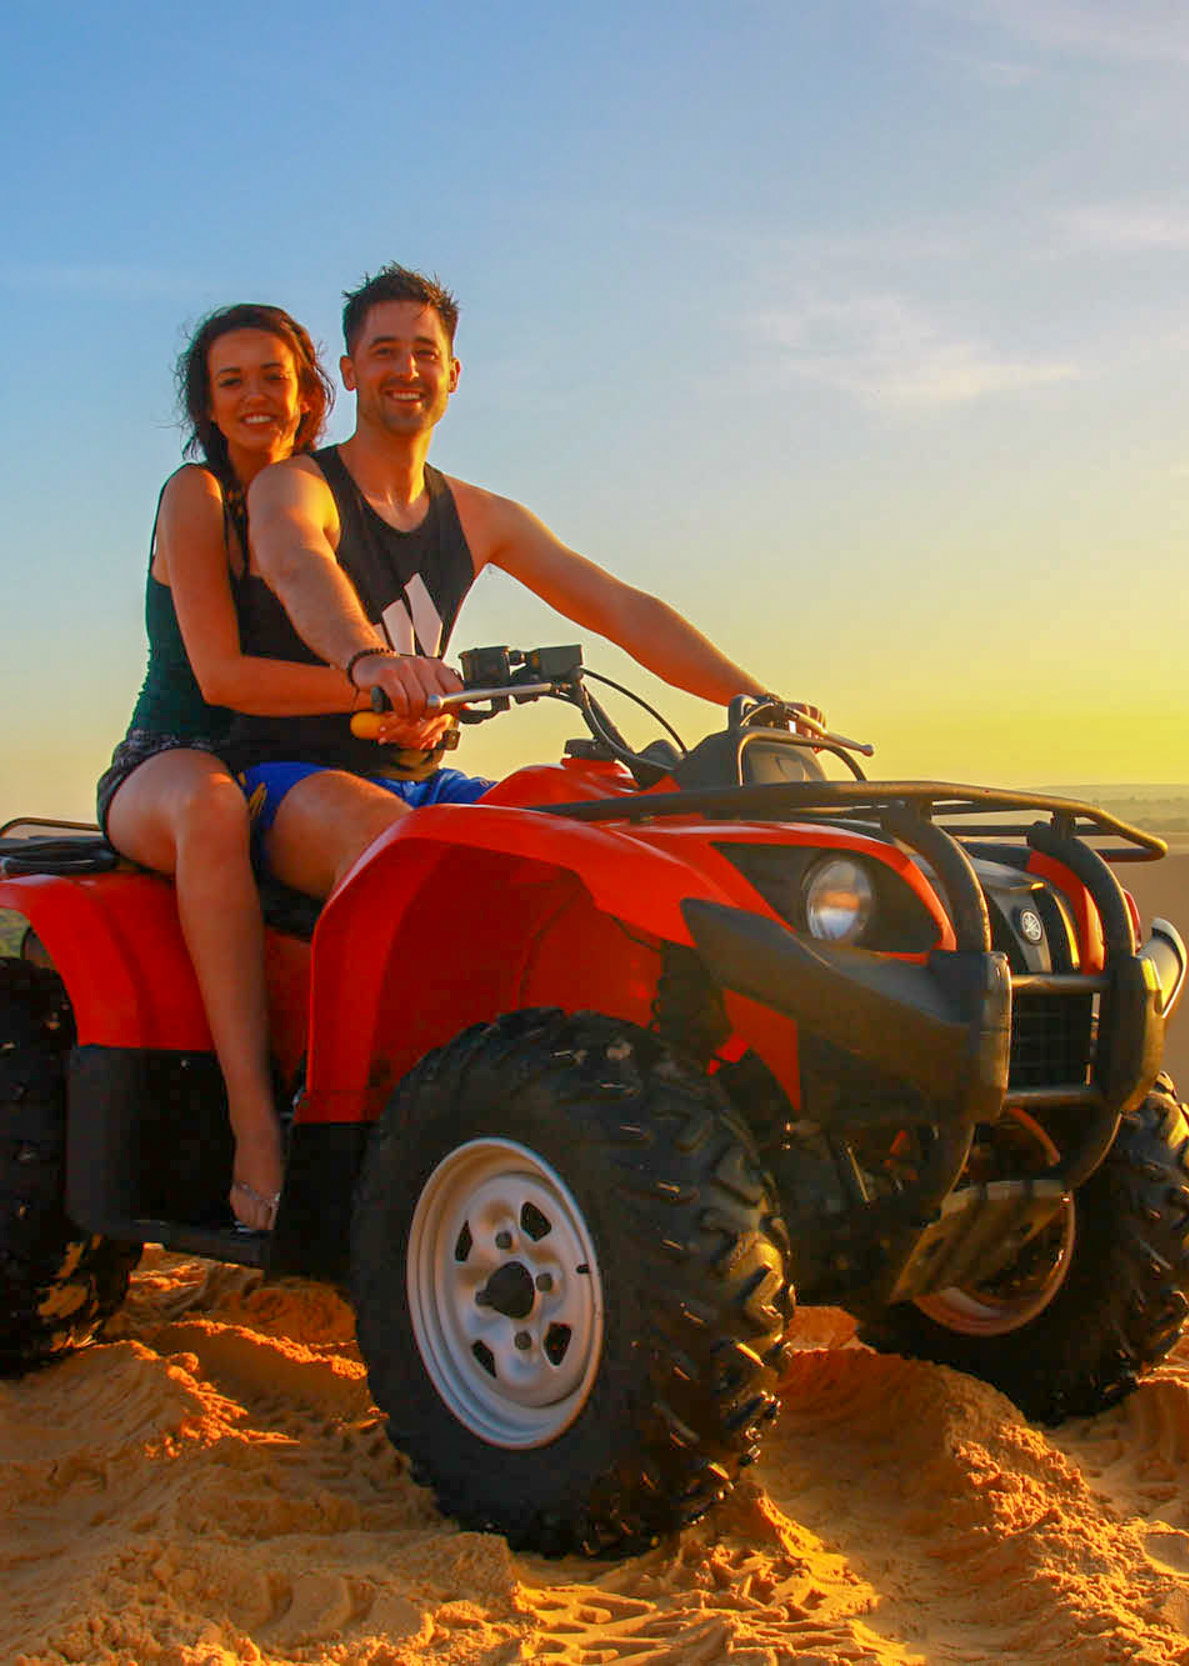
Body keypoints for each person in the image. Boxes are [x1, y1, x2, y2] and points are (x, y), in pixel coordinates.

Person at [230, 264, 776, 900]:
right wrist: (369, 660)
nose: (407, 370)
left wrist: (760, 704)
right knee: (394, 845)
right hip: (289, 776)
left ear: (452, 375)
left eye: (424, 353)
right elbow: (297, 562)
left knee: (594, 837)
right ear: (351, 373)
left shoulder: (479, 514)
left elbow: (621, 609)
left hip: (425, 779)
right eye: (384, 353)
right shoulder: (295, 485)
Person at [96, 304, 349, 1232]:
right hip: (170, 758)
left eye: (272, 376)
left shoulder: (322, 501)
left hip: (281, 759)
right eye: (231, 381)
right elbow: (220, 676)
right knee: (210, 810)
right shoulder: (194, 498)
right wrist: (370, 690)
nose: (255, 397)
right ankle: (254, 1129)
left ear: (308, 391)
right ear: (205, 404)